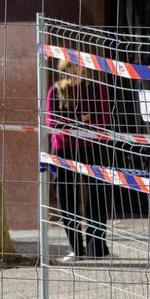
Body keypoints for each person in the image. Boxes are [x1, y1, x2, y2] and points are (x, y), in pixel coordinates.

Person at [45, 59, 112, 262]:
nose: (74, 71)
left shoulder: (96, 88)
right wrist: (80, 119)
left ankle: (97, 247)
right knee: (66, 197)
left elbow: (103, 118)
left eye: (78, 66)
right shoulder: (55, 91)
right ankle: (76, 248)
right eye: (70, 67)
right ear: (63, 70)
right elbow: (51, 121)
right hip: (63, 149)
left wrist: (75, 120)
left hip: (92, 147)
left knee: (97, 195)